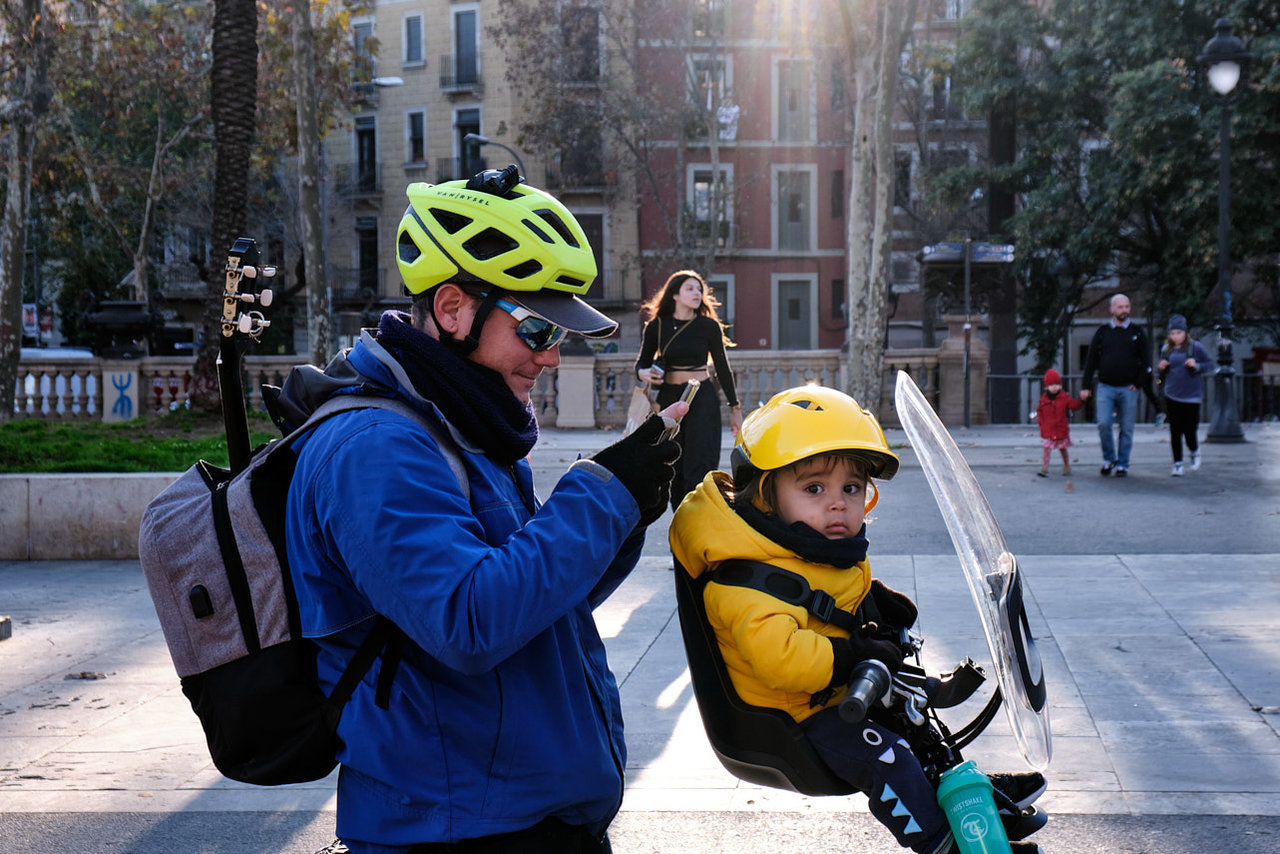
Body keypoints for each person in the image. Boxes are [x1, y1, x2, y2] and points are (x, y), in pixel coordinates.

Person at [273, 166, 688, 854]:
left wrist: (626, 505)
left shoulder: (460, 427)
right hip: (457, 830)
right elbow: (467, 619)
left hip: (514, 818)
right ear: (454, 308)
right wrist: (601, 494)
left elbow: (535, 603)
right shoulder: (375, 447)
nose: (552, 356)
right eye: (534, 328)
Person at [669, 386, 1047, 854]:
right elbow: (781, 659)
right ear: (763, 495)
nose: (838, 503)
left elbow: (829, 594)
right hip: (798, 716)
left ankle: (967, 796)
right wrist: (854, 653)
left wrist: (873, 602)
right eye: (814, 488)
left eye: (851, 488)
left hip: (832, 691)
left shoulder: (802, 548)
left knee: (917, 723)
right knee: (888, 756)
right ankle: (944, 840)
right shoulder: (741, 578)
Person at [635, 270, 743, 511]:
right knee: (672, 468)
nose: (697, 293)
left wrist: (735, 408)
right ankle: (681, 525)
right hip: (669, 399)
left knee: (700, 465)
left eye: (699, 289)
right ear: (675, 294)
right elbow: (641, 364)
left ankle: (697, 525)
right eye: (690, 289)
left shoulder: (709, 326)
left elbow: (723, 369)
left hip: (702, 399)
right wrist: (643, 373)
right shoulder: (656, 327)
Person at [1080, 293, 1154, 477]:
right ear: (1112, 309)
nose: (1124, 310)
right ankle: (1109, 458)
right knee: (1104, 423)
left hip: (1128, 388)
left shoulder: (1137, 332)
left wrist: (1138, 383)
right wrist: (1086, 385)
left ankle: (1122, 463)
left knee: (1126, 428)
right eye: (1120, 307)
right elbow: (1091, 360)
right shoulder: (1103, 332)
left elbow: (1146, 362)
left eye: (1127, 306)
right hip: (1106, 386)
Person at [1157, 314, 1214, 476]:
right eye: (1172, 333)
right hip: (1172, 394)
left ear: (1185, 333)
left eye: (1178, 333)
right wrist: (1160, 367)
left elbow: (1209, 364)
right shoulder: (1165, 349)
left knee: (1190, 429)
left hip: (1191, 395)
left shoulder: (1195, 347)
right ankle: (1177, 463)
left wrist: (1197, 365)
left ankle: (1194, 450)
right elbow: (1160, 369)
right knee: (1175, 431)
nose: (1175, 336)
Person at [1034, 368, 1083, 477]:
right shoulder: (1044, 400)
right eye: (1052, 385)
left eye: (1057, 384)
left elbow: (1074, 405)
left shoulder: (1064, 397)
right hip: (1048, 429)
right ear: (1047, 386)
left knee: (1063, 449)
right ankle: (1044, 467)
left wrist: (1081, 401)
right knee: (1046, 449)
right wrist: (1041, 424)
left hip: (1060, 429)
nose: (1055, 387)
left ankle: (1066, 465)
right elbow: (1040, 413)